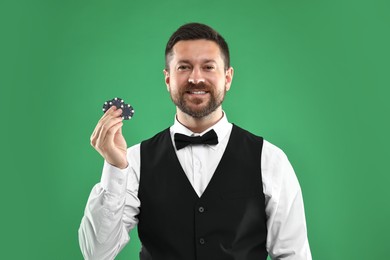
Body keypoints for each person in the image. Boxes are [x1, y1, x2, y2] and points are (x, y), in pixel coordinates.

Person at [79, 22, 312, 260]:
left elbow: (293, 256)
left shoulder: (270, 160)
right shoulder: (135, 160)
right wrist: (115, 169)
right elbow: (96, 253)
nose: (196, 78)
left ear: (228, 78)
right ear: (168, 79)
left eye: (208, 66)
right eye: (184, 67)